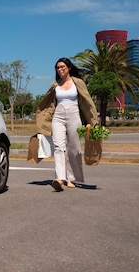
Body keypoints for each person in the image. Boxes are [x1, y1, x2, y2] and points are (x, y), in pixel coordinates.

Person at [36, 57, 98, 192]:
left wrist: (93, 121)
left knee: (74, 148)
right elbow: (48, 103)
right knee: (59, 147)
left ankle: (71, 178)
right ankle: (60, 179)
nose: (60, 70)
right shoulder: (55, 85)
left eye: (62, 67)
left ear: (69, 68)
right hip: (58, 116)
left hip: (74, 115)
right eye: (58, 68)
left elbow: (87, 102)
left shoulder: (78, 83)